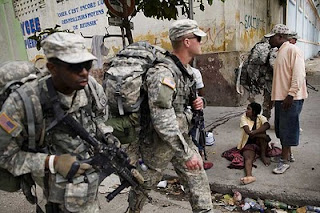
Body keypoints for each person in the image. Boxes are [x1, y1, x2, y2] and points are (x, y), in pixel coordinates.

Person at [0, 32, 115, 212]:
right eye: (75, 66)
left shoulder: (91, 87)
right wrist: (52, 162)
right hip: (56, 186)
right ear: (52, 68)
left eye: (87, 64)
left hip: (86, 183)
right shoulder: (23, 103)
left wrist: (106, 135)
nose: (84, 72)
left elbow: (98, 118)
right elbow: (5, 156)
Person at [128, 19, 214, 213]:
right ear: (186, 41)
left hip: (181, 137)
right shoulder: (163, 73)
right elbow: (162, 119)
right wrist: (186, 153)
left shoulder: (186, 72)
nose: (201, 41)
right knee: (144, 184)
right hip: (158, 144)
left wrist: (198, 104)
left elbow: (180, 103)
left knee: (198, 181)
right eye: (198, 38)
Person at [265, 24, 308, 174]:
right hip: (282, 97)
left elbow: (299, 74)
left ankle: (284, 160)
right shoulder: (280, 52)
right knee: (282, 128)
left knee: (287, 129)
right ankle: (287, 155)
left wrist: (291, 94)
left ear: (280, 37)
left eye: (272, 37)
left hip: (290, 98)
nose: (269, 40)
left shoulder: (293, 50)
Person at [237, 102, 271, 185]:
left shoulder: (261, 118)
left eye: (249, 109)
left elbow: (267, 125)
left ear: (254, 112)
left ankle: (263, 155)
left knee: (262, 136)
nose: (246, 111)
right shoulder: (244, 118)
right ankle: (249, 176)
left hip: (260, 142)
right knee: (248, 158)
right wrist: (263, 135)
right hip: (249, 143)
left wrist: (255, 133)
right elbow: (248, 132)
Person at [190, 66, 214, 170]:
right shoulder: (194, 72)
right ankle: (200, 161)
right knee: (198, 137)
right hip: (194, 111)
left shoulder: (169, 70)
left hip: (178, 113)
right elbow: (201, 93)